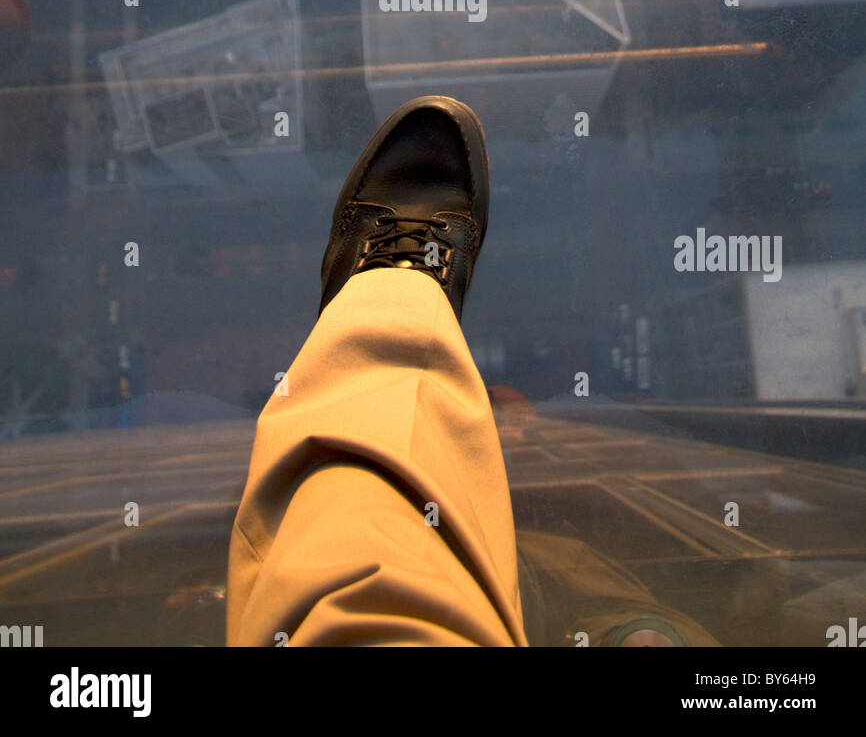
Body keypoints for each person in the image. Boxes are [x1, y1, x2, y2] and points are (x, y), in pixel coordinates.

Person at [226, 95, 719, 647]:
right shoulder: (573, 550)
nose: (509, 428)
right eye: (497, 418)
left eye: (508, 420)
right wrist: (642, 632)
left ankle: (389, 306)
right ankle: (398, 319)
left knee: (359, 511)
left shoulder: (566, 552)